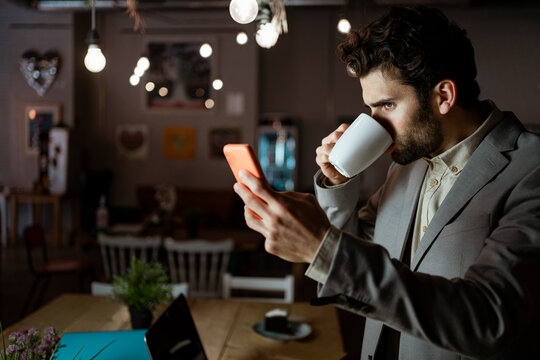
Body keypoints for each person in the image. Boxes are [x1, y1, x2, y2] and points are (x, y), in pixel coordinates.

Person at [233, 5, 540, 360]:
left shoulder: (530, 170)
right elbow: (361, 256)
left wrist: (322, 248)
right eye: (371, 109)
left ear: (443, 96)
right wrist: (337, 186)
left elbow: (488, 320)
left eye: (387, 106)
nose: (375, 125)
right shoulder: (408, 163)